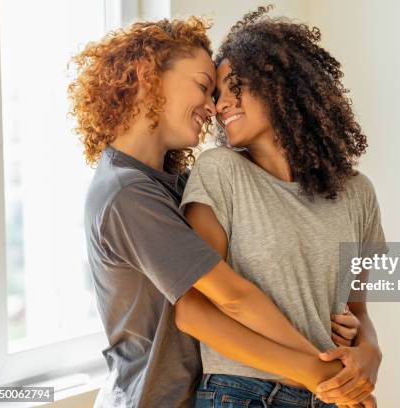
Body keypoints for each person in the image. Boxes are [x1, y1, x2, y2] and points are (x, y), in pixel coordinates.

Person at [69, 17, 360, 408]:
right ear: (146, 75)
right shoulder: (127, 195)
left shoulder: (174, 182)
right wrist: (325, 370)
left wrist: (338, 326)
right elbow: (233, 297)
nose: (212, 107)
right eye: (204, 87)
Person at [182, 6, 386, 408]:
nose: (221, 104)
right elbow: (193, 312)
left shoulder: (357, 193)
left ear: (282, 84)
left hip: (329, 393)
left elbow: (356, 309)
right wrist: (319, 372)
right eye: (216, 94)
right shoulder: (220, 172)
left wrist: (370, 353)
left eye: (233, 85)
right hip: (244, 393)